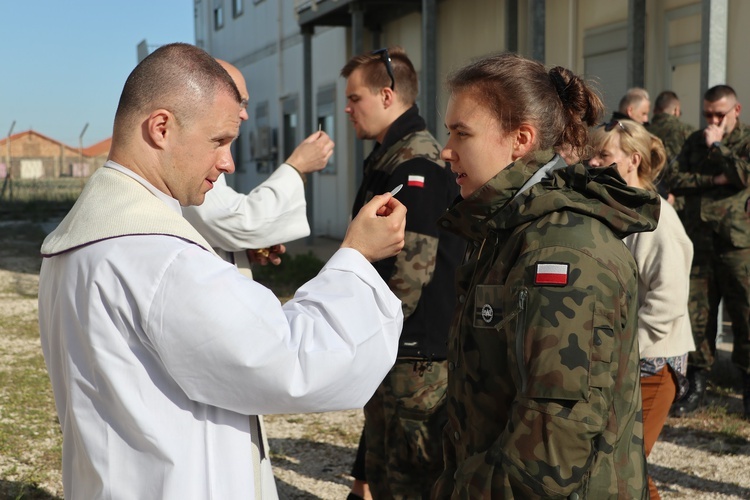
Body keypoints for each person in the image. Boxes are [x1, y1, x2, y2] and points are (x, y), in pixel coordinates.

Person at [37, 42, 408, 499]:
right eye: (219, 141)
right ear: (161, 128)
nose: (228, 162)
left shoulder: (85, 236)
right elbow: (294, 362)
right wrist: (354, 259)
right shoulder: (161, 256)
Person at [432, 52, 659, 499]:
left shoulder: (561, 252)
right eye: (448, 132)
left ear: (520, 139)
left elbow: (554, 442)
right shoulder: (509, 230)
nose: (447, 150)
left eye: (463, 133)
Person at [340, 46, 464, 499]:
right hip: (397, 349)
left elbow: (410, 275)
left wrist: (361, 331)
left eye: (356, 99)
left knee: (410, 482)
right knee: (385, 470)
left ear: (387, 96)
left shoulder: (416, 166)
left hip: (415, 355)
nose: (348, 108)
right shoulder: (391, 157)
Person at [589, 118, 695, 500]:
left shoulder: (658, 219)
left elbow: (668, 299)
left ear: (632, 160)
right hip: (623, 361)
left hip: (651, 362)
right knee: (619, 467)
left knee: (627, 467)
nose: (594, 163)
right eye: (593, 154)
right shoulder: (617, 210)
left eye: (604, 155)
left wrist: (623, 348)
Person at [182, 59, 334, 273]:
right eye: (241, 103)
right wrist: (297, 165)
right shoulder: (189, 159)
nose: (246, 115)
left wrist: (241, 251)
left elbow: (216, 228)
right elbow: (238, 222)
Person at [666, 85, 750, 419]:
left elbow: (743, 175)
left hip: (736, 244)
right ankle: (697, 383)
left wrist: (718, 148)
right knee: (697, 314)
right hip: (698, 241)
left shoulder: (744, 143)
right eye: (708, 114)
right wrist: (713, 180)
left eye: (720, 114)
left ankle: (747, 385)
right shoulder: (693, 142)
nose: (713, 120)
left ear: (736, 111)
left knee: (744, 313)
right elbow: (672, 177)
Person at [647, 90, 696, 204]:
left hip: (651, 194)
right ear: (676, 110)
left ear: (655, 111)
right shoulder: (688, 131)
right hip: (681, 198)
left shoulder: (642, 132)